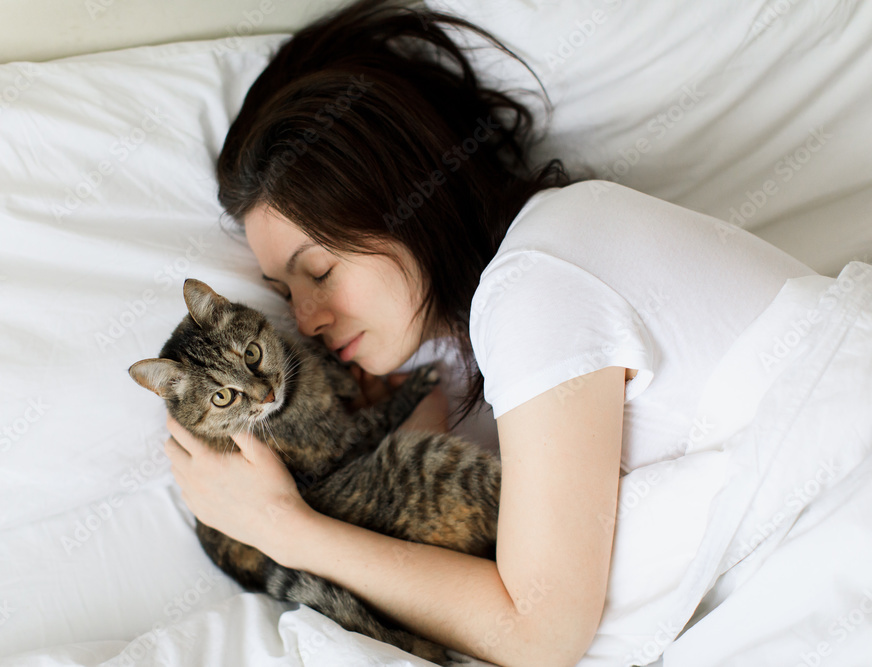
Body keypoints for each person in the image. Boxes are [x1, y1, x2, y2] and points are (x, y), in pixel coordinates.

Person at [160, 0, 817, 665]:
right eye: (285, 293)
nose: (304, 319)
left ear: (400, 192)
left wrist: (281, 526)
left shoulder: (538, 277)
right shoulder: (493, 323)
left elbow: (537, 634)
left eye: (320, 270)